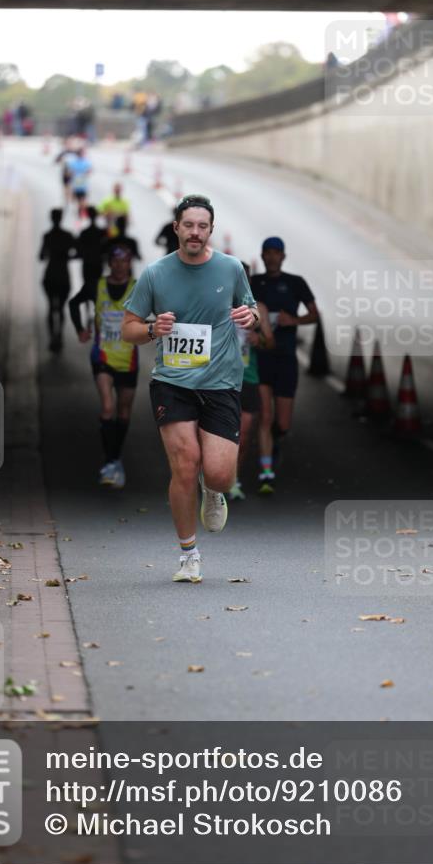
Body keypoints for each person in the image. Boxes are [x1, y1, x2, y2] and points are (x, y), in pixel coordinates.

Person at [121, 194, 258, 583]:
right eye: (188, 225)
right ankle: (188, 555)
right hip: (172, 383)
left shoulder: (231, 269)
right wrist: (151, 329)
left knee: (219, 474)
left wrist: (251, 315)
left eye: (202, 226)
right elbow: (127, 329)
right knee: (184, 464)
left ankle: (212, 490)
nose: (195, 232)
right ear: (176, 228)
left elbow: (253, 310)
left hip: (221, 383)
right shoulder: (156, 274)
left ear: (210, 230)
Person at [250, 237, 318, 493]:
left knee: (283, 423)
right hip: (261, 359)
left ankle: (274, 445)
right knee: (265, 416)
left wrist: (295, 321)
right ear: (263, 255)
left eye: (276, 253)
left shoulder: (295, 283)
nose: (271, 257)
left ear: (283, 256)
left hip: (287, 359)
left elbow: (314, 314)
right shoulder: (255, 284)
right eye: (267, 253)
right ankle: (266, 470)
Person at [69, 245, 138, 488]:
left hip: (128, 359)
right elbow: (73, 303)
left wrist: (151, 328)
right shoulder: (96, 286)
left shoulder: (138, 288)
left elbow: (158, 310)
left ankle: (115, 458)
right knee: (108, 407)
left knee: (123, 412)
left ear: (130, 263)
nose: (120, 265)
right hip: (102, 356)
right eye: (116, 261)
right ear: (110, 263)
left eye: (125, 261)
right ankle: (110, 461)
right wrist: (80, 330)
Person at [228, 265, 275, 501]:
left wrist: (259, 339)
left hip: (248, 376)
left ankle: (232, 479)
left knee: (244, 433)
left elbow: (270, 343)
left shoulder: (259, 309)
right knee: (215, 433)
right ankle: (213, 479)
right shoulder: (217, 304)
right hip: (219, 378)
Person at [38, 208, 77, 353]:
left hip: (50, 274)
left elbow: (41, 256)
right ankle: (59, 334)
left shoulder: (47, 236)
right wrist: (66, 256)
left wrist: (51, 254)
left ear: (51, 218)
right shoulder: (68, 236)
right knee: (60, 308)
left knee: (50, 307)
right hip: (63, 275)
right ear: (61, 218)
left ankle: (51, 337)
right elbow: (77, 252)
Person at [75, 206, 108, 300]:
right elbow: (106, 249)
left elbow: (79, 250)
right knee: (97, 285)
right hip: (98, 263)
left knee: (87, 285)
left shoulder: (84, 233)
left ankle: (88, 308)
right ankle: (96, 307)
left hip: (88, 263)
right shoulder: (102, 232)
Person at [66, 146, 92, 214]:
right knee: (82, 199)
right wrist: (84, 173)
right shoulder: (86, 162)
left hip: (76, 184)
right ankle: (81, 210)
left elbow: (69, 173)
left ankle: (80, 210)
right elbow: (89, 171)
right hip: (82, 184)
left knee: (78, 199)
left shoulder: (72, 162)